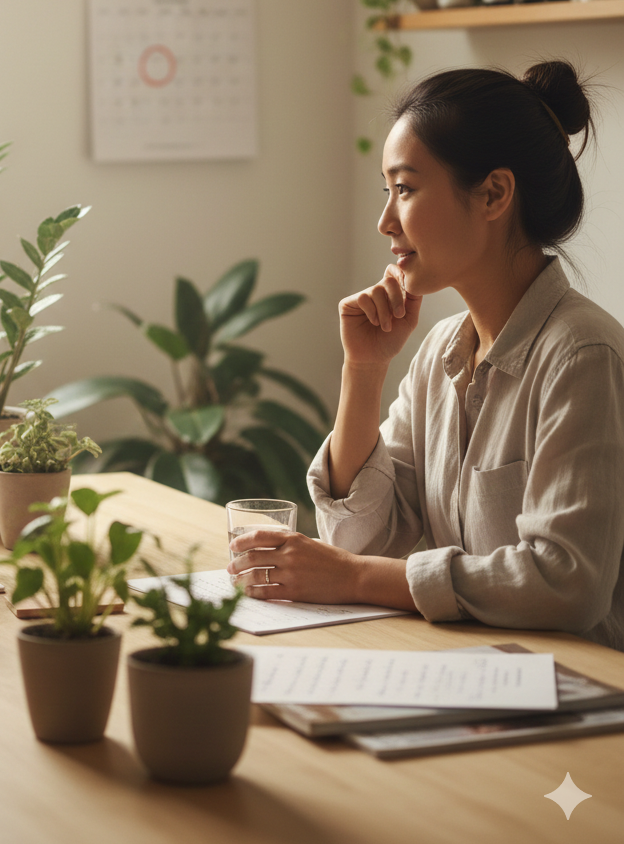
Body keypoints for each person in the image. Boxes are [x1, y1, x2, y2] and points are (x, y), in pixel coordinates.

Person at [228, 60, 624, 652]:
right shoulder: (441, 350)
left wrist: (357, 579)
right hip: (474, 669)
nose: (385, 220)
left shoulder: (581, 356)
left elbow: (566, 583)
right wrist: (363, 371)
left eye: (406, 189)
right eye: (386, 192)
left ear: (494, 193)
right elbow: (359, 538)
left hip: (578, 694)